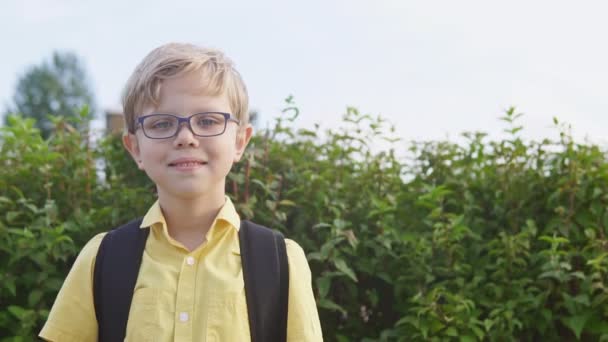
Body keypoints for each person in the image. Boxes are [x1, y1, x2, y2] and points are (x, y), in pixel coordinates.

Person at [39, 42, 323, 341]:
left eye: (208, 121)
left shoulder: (280, 262)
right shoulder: (103, 257)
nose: (185, 137)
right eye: (162, 124)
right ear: (135, 147)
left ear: (240, 141)